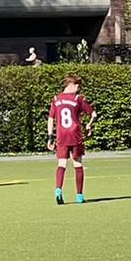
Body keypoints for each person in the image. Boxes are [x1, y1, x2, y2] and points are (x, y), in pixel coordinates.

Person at [47, 75, 95, 205]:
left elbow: (51, 119)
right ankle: (79, 196)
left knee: (61, 164)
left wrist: (50, 137)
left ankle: (58, 190)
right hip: (75, 135)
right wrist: (89, 125)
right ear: (72, 85)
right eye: (78, 86)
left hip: (61, 135)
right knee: (77, 163)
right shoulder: (77, 98)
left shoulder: (56, 99)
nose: (78, 90)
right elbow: (93, 114)